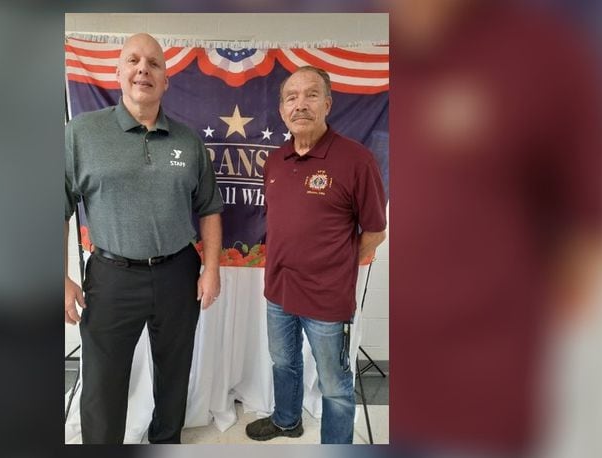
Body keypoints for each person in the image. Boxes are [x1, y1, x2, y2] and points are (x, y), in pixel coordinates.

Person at [63, 33, 223, 444]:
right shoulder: (81, 133)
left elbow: (209, 209)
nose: (143, 70)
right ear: (118, 72)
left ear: (166, 80)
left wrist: (212, 269)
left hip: (178, 273)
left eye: (154, 63)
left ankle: (166, 441)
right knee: (102, 383)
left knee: (174, 373)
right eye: (133, 61)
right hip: (112, 276)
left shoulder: (189, 141)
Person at [246, 66, 387, 444]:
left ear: (327, 103)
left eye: (310, 95)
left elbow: (375, 232)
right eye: (291, 97)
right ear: (281, 111)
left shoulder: (357, 161)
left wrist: (336, 265)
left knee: (335, 386)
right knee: (284, 364)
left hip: (327, 300)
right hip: (278, 293)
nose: (300, 104)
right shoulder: (275, 161)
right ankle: (286, 421)